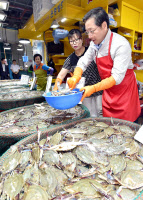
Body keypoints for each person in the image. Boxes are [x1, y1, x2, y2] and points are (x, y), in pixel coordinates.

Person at [67, 7, 141, 122]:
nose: (90, 36)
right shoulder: (94, 44)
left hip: (125, 94)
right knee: (109, 127)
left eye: (92, 31)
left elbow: (117, 78)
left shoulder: (121, 44)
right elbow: (84, 61)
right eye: (87, 32)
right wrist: (76, 75)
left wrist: (94, 88)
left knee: (128, 129)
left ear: (104, 26)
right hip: (109, 94)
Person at [53, 29, 102, 117]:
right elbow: (61, 75)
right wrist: (56, 87)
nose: (74, 43)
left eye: (76, 40)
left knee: (101, 112)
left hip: (98, 90)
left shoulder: (91, 52)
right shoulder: (70, 59)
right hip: (84, 93)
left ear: (81, 39)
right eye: (71, 41)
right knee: (89, 115)